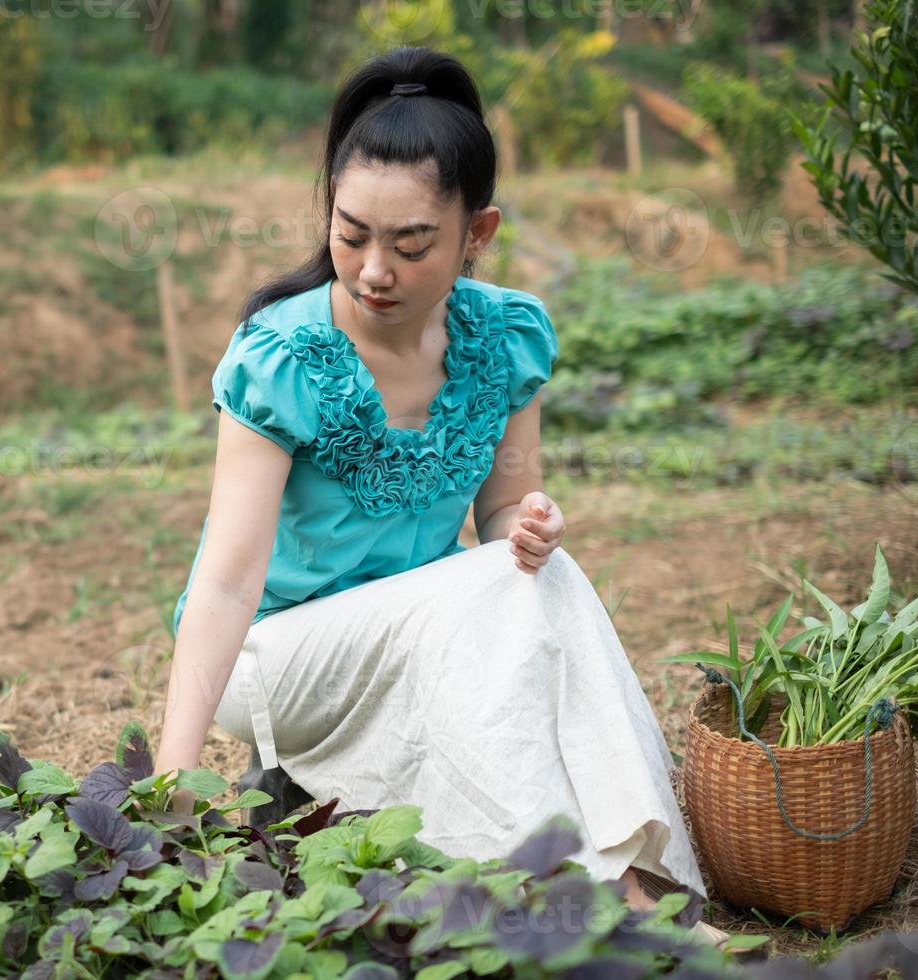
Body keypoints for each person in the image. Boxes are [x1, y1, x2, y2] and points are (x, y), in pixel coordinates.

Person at [154, 46, 730, 948]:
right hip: (281, 659)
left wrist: (530, 526)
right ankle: (582, 901)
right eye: (350, 235)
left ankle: (627, 878)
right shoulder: (284, 357)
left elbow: (506, 510)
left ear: (477, 232)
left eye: (410, 243)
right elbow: (226, 584)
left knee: (542, 572)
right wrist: (170, 780)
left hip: (429, 637)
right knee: (497, 586)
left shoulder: (505, 336)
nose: (373, 270)